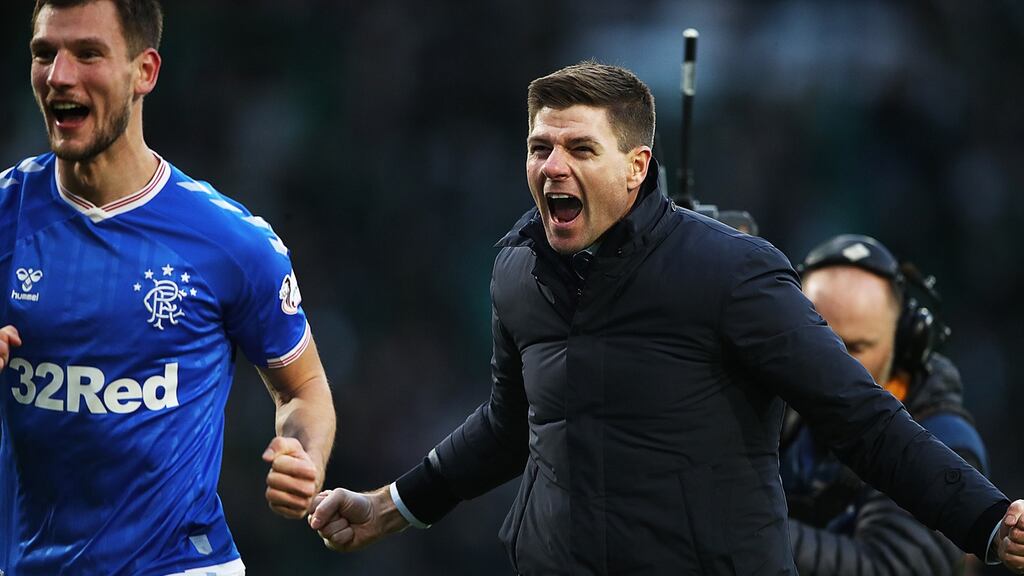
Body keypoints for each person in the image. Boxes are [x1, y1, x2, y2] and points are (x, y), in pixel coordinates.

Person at [307, 61, 1024, 575]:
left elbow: (863, 420)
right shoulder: (515, 268)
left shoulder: (732, 272)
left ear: (636, 166)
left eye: (580, 148)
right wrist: (392, 504)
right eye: (539, 147)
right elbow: (508, 426)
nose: (552, 166)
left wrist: (988, 523)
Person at [0, 1, 335, 574]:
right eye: (44, 54)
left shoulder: (232, 242)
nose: (59, 76)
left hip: (183, 563)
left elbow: (304, 391)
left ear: (144, 72)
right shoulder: (7, 215)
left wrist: (303, 456)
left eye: (87, 54)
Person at [781, 235, 989, 575]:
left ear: (905, 342)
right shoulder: (783, 410)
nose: (834, 364)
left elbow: (891, 567)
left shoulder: (945, 439)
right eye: (817, 341)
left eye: (856, 346)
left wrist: (748, 525)